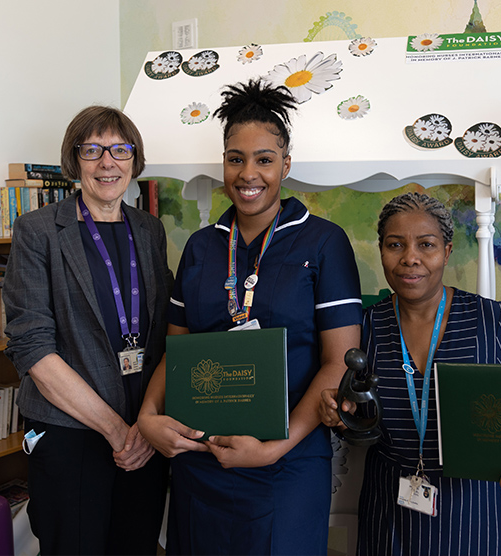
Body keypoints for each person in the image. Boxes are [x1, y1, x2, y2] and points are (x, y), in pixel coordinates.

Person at [137, 78, 362, 555]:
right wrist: (148, 415)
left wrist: (273, 448)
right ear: (223, 162)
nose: (248, 173)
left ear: (285, 164)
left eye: (264, 159)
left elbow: (338, 359)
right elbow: (176, 351)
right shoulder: (201, 247)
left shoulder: (322, 242)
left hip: (287, 462)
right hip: (202, 459)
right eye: (235, 159)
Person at [320, 192, 501, 556]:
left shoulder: (492, 320)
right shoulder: (365, 326)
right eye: (395, 245)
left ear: (447, 251)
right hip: (390, 513)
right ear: (381, 250)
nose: (410, 258)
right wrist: (337, 414)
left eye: (426, 244)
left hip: (479, 513)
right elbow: (358, 416)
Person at [3, 106, 172, 555]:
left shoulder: (150, 230)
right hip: (72, 433)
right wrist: (118, 432)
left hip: (145, 427)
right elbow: (33, 347)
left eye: (120, 149)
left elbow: (161, 334)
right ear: (74, 161)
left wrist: (145, 426)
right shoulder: (38, 231)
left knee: (135, 545)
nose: (107, 162)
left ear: (134, 160)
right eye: (92, 150)